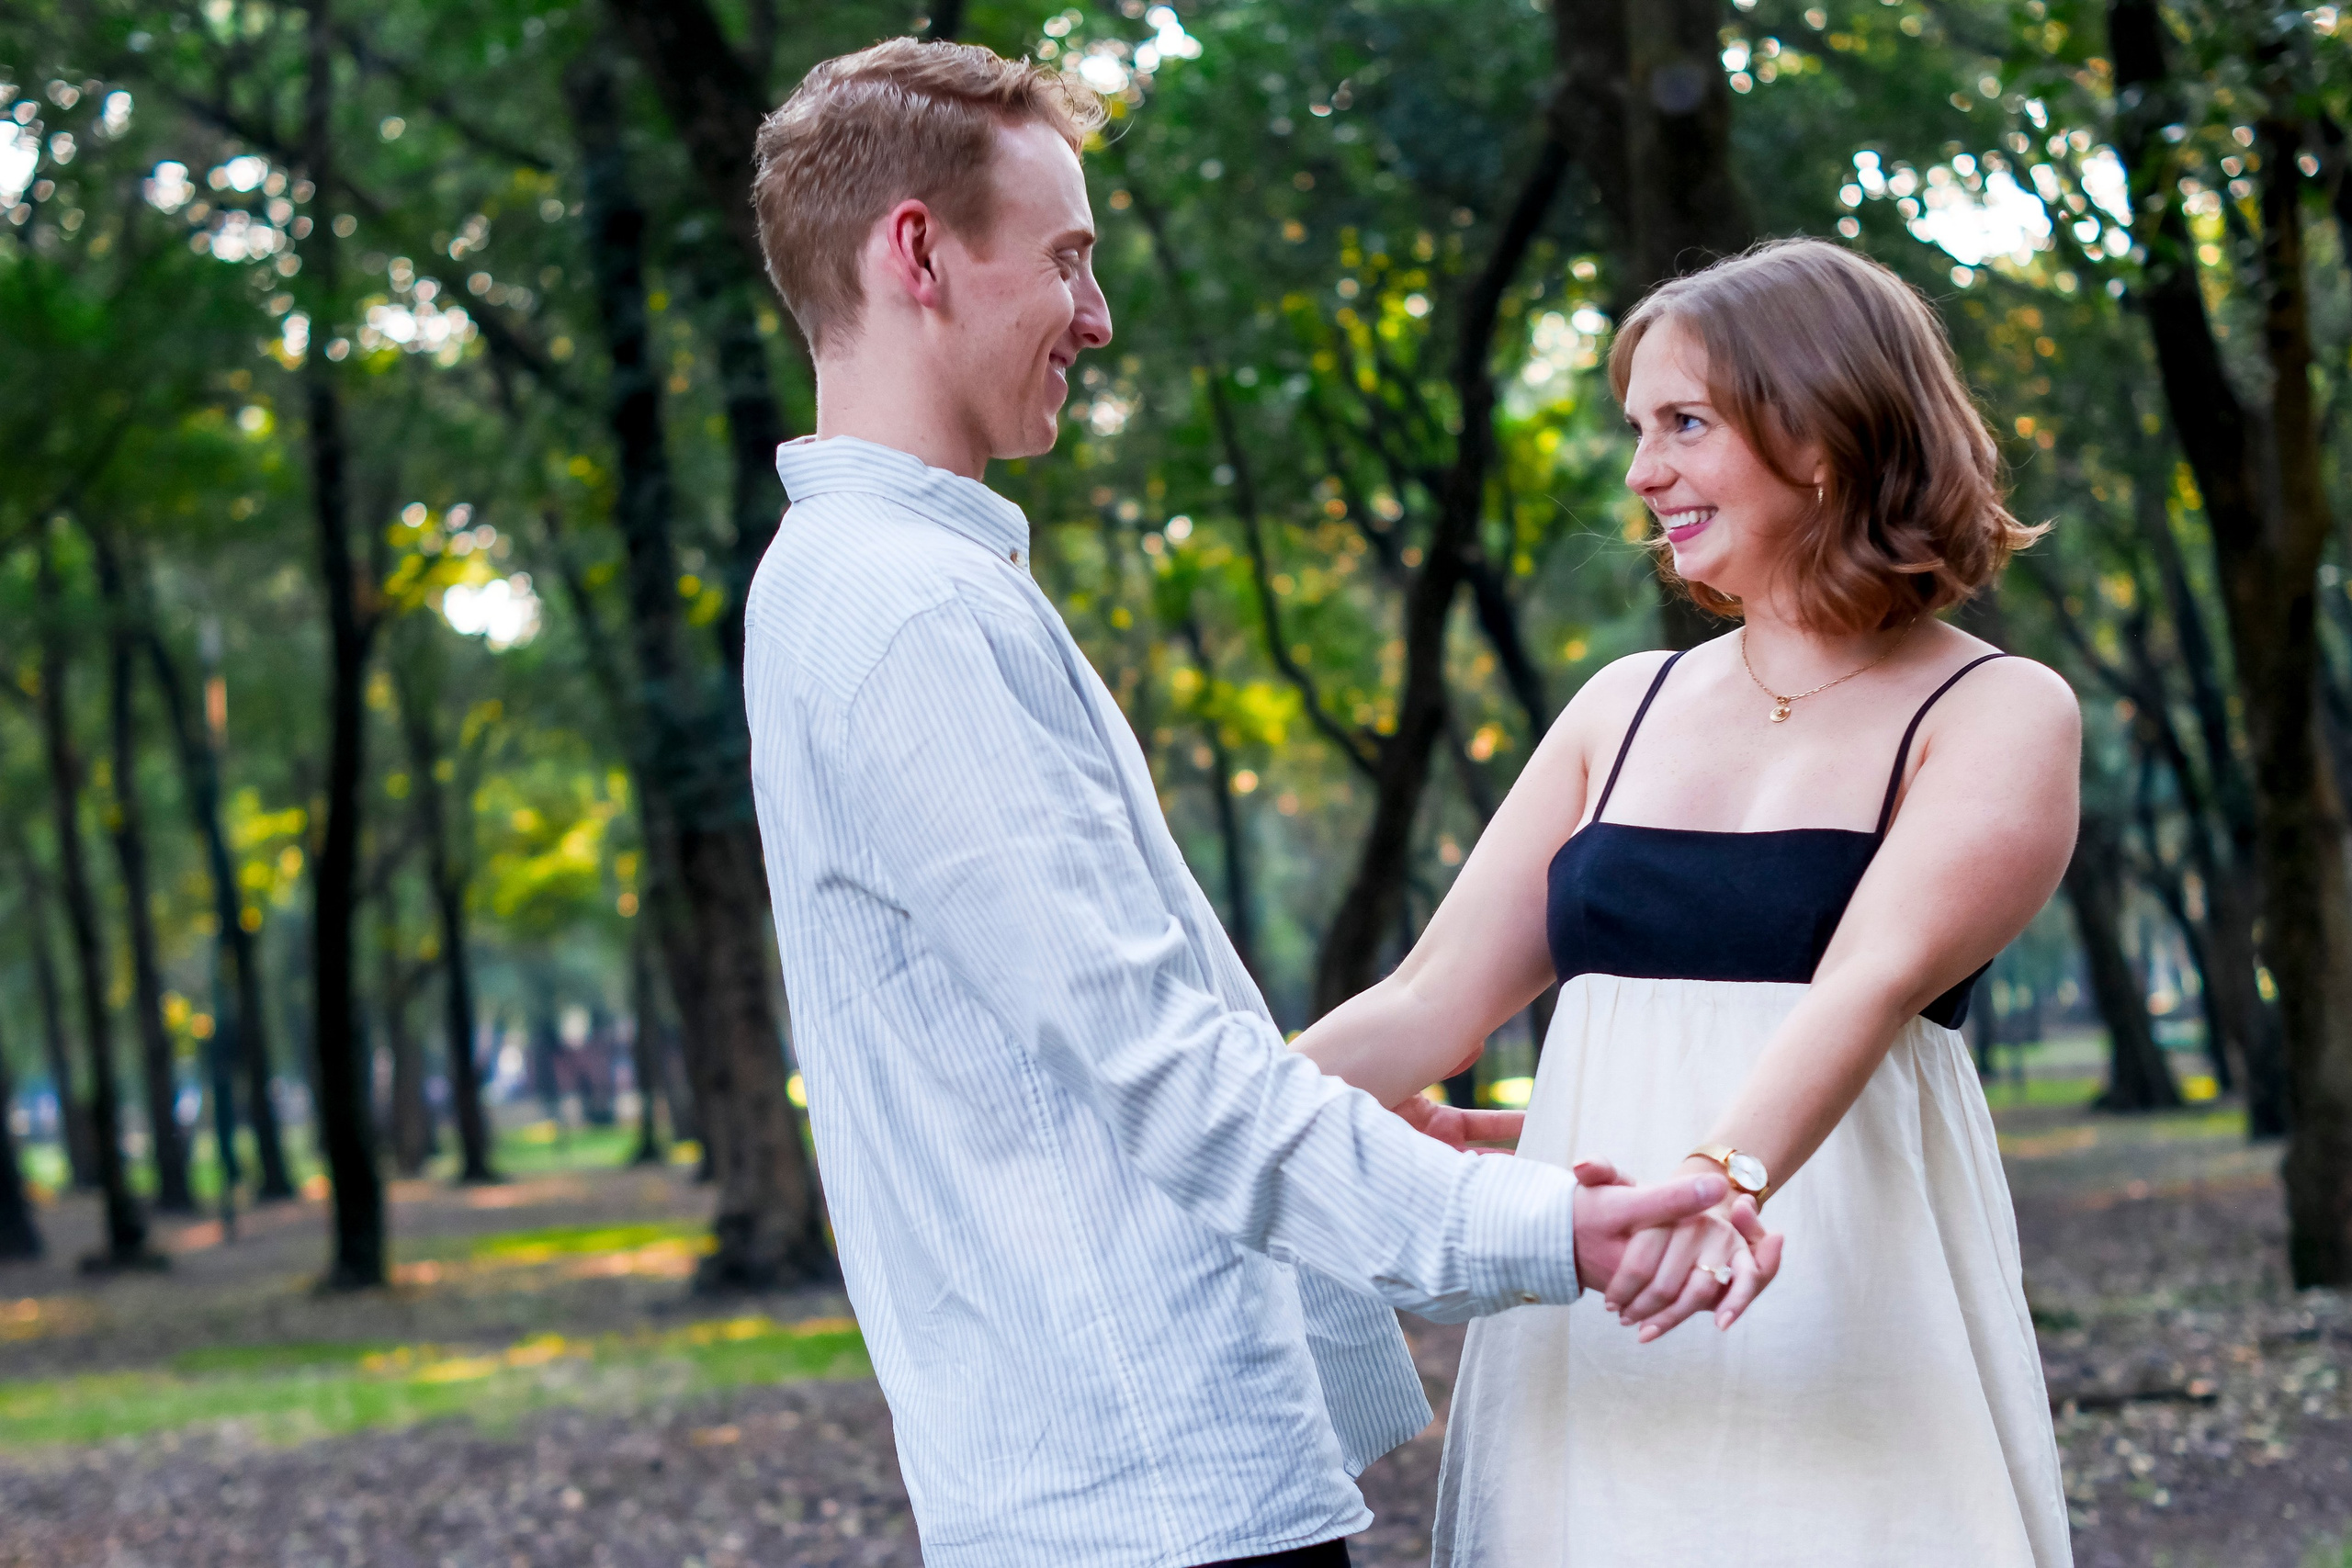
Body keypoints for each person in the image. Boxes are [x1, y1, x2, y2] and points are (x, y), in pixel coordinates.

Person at [738, 39, 1777, 1568]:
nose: (1098, 315)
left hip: (1110, 1480)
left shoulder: (874, 587)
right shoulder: (910, 613)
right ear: (918, 253)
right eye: (1069, 258)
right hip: (1144, 1502)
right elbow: (1165, 1077)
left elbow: (1085, 1063)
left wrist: (1363, 1137)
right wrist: (1555, 1230)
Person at [1295, 238, 2079, 1565]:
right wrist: (1225, 1112)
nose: (1642, 471)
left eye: (1684, 424)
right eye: (1638, 429)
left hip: (1835, 1302)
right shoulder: (1622, 704)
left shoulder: (1998, 709)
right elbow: (1429, 1003)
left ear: (1821, 428)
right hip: (1598, 1318)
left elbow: (1868, 983)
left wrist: (1721, 1180)